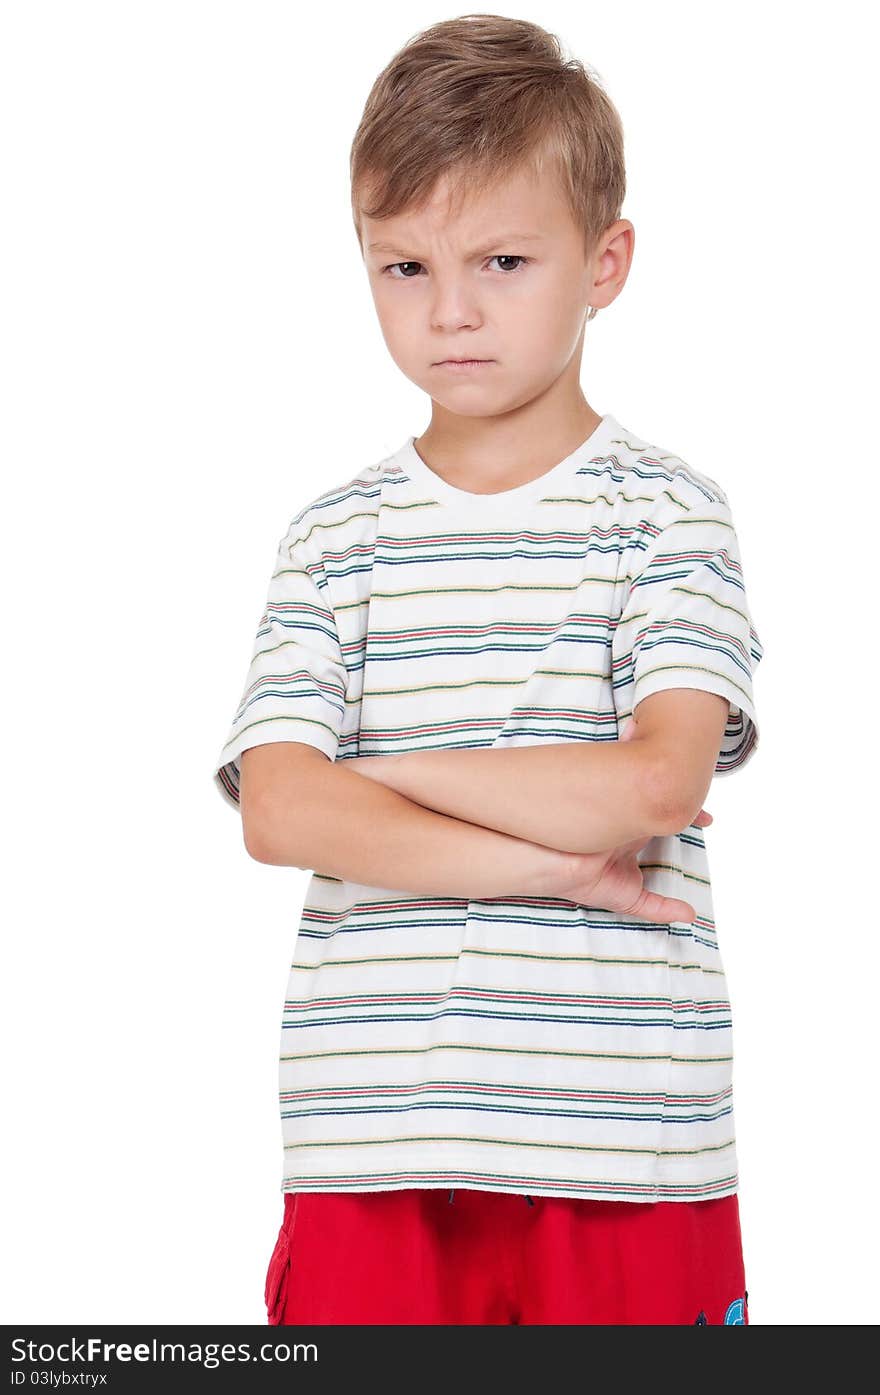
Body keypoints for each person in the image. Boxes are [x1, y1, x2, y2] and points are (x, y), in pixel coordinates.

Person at [213, 14, 763, 1326]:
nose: (449, 310)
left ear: (605, 262)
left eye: (503, 260)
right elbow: (282, 813)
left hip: (628, 1147)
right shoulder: (333, 537)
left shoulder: (669, 516)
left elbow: (651, 782)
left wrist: (380, 782)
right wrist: (545, 854)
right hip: (370, 1146)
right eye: (403, 265)